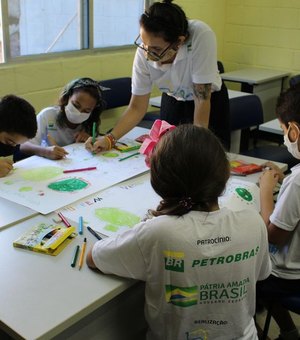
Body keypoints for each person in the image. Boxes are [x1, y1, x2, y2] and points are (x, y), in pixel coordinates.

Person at [86, 124, 271, 339]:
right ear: (225, 174)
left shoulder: (159, 231)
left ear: (159, 181)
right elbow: (261, 273)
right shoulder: (253, 222)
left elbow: (94, 257)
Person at [85, 0, 230, 154]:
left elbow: (202, 99)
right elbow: (136, 107)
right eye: (144, 44)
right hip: (172, 100)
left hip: (208, 103)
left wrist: (197, 147)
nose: (147, 54)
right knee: (170, 155)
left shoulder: (201, 35)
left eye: (156, 49)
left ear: (179, 42)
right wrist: (109, 138)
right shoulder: (144, 52)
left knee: (206, 157)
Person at [257, 85, 300, 340]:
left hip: (289, 275)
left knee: (247, 271)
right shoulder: (294, 182)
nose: (284, 136)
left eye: (284, 130)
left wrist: (265, 190)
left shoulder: (297, 183)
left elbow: (273, 237)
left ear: (294, 130)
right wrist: (285, 182)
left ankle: (254, 333)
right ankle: (288, 331)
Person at [20, 77, 104, 160]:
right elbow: (24, 145)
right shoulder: (48, 115)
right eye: (75, 105)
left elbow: (97, 142)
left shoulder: (89, 122)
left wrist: (89, 139)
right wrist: (46, 151)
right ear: (66, 98)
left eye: (87, 110)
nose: (79, 113)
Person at [0, 94, 37, 178]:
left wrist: (43, 151)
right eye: (9, 141)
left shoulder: (14, 143)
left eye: (18, 144)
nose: (13, 146)